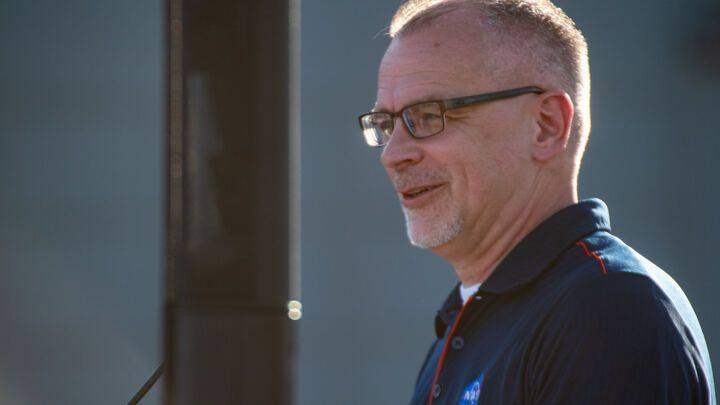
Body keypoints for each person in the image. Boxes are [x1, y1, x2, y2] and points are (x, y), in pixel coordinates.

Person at [357, 0, 716, 404]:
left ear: (546, 125)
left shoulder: (606, 308)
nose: (392, 154)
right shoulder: (473, 321)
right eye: (386, 124)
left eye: (426, 115)